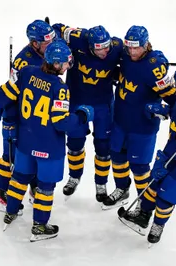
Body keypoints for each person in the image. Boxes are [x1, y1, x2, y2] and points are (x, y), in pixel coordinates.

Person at [0, 40, 94, 242]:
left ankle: (11, 211)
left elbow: (7, 91)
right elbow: (61, 122)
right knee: (45, 187)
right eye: (67, 62)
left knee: (19, 177)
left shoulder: (27, 72)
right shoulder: (60, 88)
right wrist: (82, 116)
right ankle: (39, 226)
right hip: (49, 147)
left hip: (25, 141)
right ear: (57, 64)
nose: (69, 65)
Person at [119, 67, 176, 245]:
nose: (175, 86)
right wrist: (166, 111)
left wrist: (163, 161)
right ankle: (143, 215)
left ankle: (158, 226)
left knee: (165, 198)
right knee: (153, 185)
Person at [101, 25, 176, 210]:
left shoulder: (155, 68)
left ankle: (144, 203)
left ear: (146, 45)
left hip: (142, 127)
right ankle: (122, 189)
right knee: (117, 157)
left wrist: (165, 110)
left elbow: (173, 99)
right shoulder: (124, 54)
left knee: (139, 166)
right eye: (130, 47)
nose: (132, 51)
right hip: (120, 120)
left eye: (137, 48)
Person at [52, 23, 123, 202]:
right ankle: (74, 177)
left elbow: (135, 57)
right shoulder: (78, 37)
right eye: (100, 49)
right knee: (75, 143)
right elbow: (56, 27)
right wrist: (60, 45)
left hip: (103, 105)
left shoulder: (117, 46)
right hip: (76, 101)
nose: (105, 52)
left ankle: (101, 183)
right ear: (90, 46)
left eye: (107, 47)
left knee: (103, 146)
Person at [0, 19, 57, 213]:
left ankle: (34, 186)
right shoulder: (23, 62)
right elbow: (10, 90)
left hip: (35, 117)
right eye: (46, 42)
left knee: (35, 153)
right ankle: (2, 194)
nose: (51, 44)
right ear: (34, 43)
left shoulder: (49, 50)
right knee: (10, 156)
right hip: (17, 115)